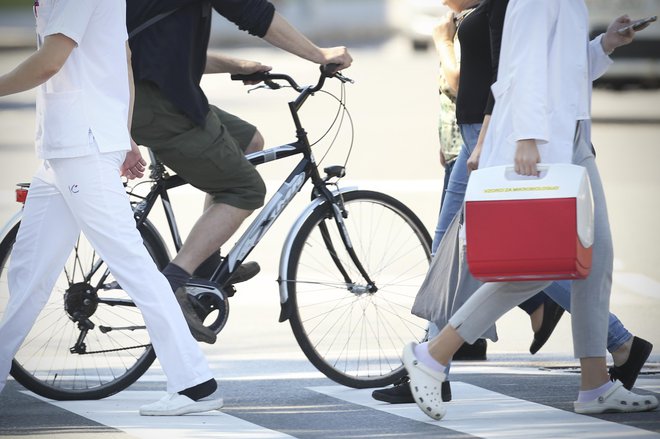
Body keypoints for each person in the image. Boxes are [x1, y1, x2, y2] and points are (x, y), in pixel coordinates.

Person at [402, 0, 659, 420]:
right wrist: (527, 136)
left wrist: (603, 46)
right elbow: (520, 68)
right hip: (542, 144)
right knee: (540, 267)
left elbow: (565, 72)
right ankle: (432, 355)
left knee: (596, 260)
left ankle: (595, 385)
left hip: (572, 136)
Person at [0, 0, 222, 416]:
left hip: (81, 146)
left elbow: (50, 62)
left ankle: (194, 383)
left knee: (132, 266)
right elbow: (122, 55)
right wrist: (121, 133)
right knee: (28, 273)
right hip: (67, 150)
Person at [126, 1, 353, 343]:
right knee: (245, 190)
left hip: (162, 92)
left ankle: (205, 266)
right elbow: (256, 16)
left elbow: (165, 49)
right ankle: (173, 283)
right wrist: (320, 54)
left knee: (249, 142)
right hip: (155, 102)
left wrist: (236, 64)